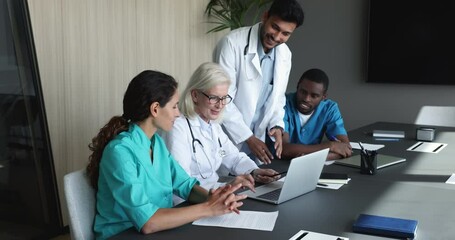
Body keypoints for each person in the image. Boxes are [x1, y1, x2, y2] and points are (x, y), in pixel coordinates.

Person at [86, 70, 247, 239]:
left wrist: (214, 198)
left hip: (160, 229)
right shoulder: (119, 152)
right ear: (155, 109)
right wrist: (208, 208)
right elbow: (148, 222)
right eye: (174, 106)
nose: (178, 113)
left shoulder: (156, 144)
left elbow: (186, 185)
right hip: (124, 234)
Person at [163, 62, 281, 199]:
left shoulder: (213, 125)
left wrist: (255, 171)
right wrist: (229, 186)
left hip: (215, 197)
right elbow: (182, 183)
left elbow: (234, 157)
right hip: (189, 203)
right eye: (214, 98)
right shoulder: (178, 128)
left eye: (224, 98)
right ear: (195, 95)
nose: (220, 105)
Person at [213, 0, 304, 164]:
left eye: (285, 33)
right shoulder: (232, 44)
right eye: (275, 27)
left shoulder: (285, 55)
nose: (277, 37)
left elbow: (278, 98)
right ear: (265, 17)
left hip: (257, 144)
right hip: (228, 137)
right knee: (223, 184)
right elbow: (222, 100)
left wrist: (276, 125)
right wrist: (247, 137)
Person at [282, 68, 352, 160]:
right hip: (277, 166)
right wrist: (330, 146)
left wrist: (309, 157)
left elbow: (345, 148)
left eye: (314, 96)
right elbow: (284, 149)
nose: (306, 99)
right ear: (297, 86)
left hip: (311, 166)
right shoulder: (283, 104)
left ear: (323, 97)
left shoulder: (329, 109)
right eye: (303, 92)